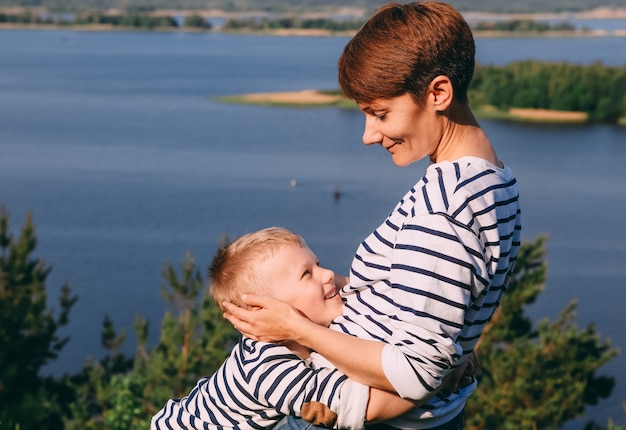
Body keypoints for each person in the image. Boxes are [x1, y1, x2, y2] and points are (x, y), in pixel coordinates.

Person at [223, 2, 522, 429]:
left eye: (381, 114)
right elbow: (434, 303)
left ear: (438, 93)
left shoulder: (443, 211)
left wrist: (293, 326)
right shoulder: (494, 180)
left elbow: (416, 375)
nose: (368, 135)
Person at [152, 227, 430, 430]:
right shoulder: (268, 368)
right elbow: (361, 408)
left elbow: (364, 294)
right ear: (266, 310)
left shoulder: (301, 330)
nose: (328, 274)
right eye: (306, 274)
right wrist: (436, 373)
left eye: (317, 264)